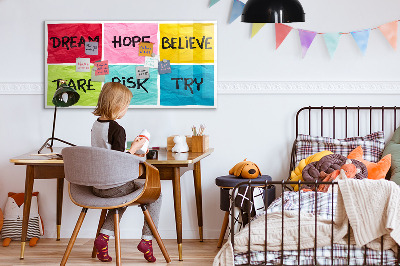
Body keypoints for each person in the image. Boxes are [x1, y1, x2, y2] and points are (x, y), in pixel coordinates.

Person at [91, 82, 161, 263]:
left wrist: (130, 150)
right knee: (156, 194)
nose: (126, 109)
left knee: (121, 197)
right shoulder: (117, 129)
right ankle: (147, 240)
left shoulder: (96, 125)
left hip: (97, 186)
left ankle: (103, 238)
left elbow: (108, 155)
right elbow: (119, 161)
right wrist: (135, 148)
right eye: (126, 105)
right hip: (114, 186)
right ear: (117, 105)